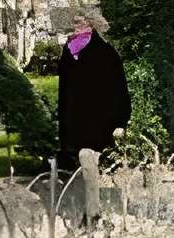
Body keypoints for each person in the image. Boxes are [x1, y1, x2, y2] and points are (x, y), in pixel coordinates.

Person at [55, 13, 132, 162]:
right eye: (75, 22)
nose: (76, 26)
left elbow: (118, 89)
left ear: (90, 24)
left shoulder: (105, 51)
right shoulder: (68, 51)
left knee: (95, 161)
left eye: (81, 22)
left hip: (99, 121)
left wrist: (120, 120)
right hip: (74, 122)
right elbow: (64, 91)